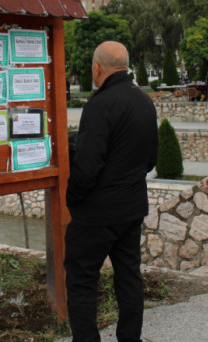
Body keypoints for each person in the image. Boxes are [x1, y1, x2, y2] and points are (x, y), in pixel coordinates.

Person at [64, 41, 158, 342]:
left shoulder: (99, 105)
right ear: (126, 66)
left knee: (81, 281)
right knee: (129, 277)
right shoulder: (145, 102)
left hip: (96, 215)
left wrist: (72, 199)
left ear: (97, 68)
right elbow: (151, 160)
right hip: (131, 209)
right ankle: (131, 338)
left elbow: (87, 166)